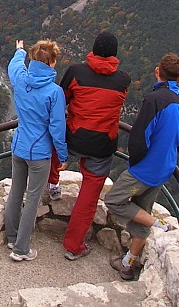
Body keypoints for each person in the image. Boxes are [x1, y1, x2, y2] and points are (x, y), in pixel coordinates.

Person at [105, 52, 179, 280]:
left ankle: (159, 224)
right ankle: (127, 264)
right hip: (166, 167)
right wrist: (169, 149)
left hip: (146, 168)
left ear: (158, 71)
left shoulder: (154, 100)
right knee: (142, 210)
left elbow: (140, 137)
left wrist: (136, 160)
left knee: (113, 200)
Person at [50, 31, 131, 260]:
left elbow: (61, 100)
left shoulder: (76, 72)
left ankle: (52, 183)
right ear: (114, 54)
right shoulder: (123, 80)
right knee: (88, 197)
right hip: (102, 144)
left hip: (74, 137)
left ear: (93, 50)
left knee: (54, 146)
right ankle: (74, 246)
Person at [4, 39, 69, 262]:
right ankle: (21, 249)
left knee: (16, 192)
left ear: (32, 59)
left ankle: (12, 237)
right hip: (40, 153)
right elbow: (57, 128)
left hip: (19, 146)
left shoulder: (21, 80)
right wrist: (62, 155)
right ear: (52, 63)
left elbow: (14, 66)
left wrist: (19, 50)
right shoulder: (55, 92)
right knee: (32, 198)